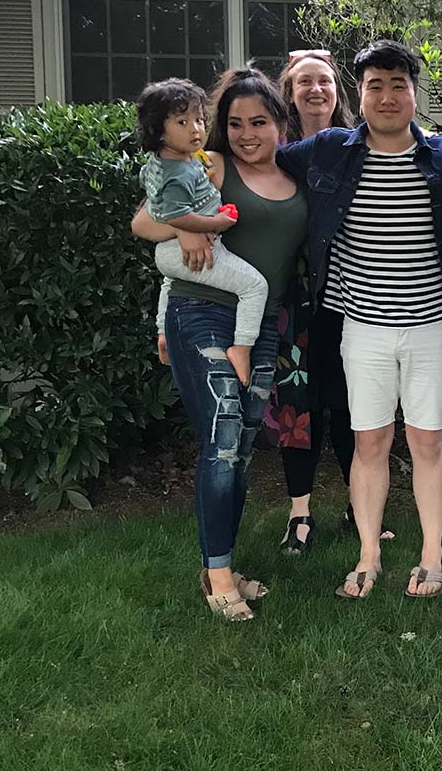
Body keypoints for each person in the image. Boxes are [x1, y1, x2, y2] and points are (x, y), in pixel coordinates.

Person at [275, 39, 442, 599]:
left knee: (428, 442)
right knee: (370, 442)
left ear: (413, 92)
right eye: (374, 85)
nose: (386, 96)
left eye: (397, 85)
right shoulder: (330, 151)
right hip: (362, 328)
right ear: (360, 93)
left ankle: (432, 557)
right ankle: (368, 555)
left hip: (431, 327)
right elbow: (255, 160)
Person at [131, 67, 308, 621]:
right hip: (201, 310)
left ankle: (221, 565)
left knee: (241, 448)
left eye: (259, 120)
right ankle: (220, 576)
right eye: (233, 123)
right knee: (222, 435)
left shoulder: (299, 178)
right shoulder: (210, 165)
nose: (246, 133)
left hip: (260, 324)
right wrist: (183, 229)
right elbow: (144, 222)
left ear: (281, 122)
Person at [268, 49, 372, 556]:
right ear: (289, 93)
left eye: (324, 81)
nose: (315, 90)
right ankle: (300, 514)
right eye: (304, 81)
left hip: (352, 299)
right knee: (299, 410)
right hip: (294, 304)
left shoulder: (357, 148)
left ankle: (360, 507)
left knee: (355, 407)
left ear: (338, 91)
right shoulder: (274, 152)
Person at [136, 77, 268, 386]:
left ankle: (164, 334)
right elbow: (175, 214)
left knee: (173, 281)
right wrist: (215, 224)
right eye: (182, 121)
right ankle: (242, 347)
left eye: (198, 119)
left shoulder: (176, 161)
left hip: (171, 257)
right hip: (195, 250)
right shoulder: (177, 174)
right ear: (158, 130)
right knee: (254, 287)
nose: (195, 128)